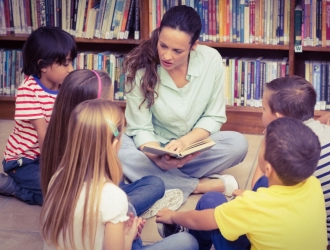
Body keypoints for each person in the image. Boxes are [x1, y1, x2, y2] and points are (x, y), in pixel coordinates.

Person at [119, 5, 248, 202]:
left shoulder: (211, 59)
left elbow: (213, 116)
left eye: (177, 50)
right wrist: (158, 159)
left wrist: (185, 143)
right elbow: (140, 128)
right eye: (163, 45)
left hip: (193, 147)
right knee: (118, 150)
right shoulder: (140, 68)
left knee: (238, 144)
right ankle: (198, 185)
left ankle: (160, 179)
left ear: (193, 46)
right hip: (153, 148)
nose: (167, 56)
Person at [41, 99, 198, 250]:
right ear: (115, 144)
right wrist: (129, 236)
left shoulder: (58, 177)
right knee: (187, 242)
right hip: (117, 229)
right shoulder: (112, 196)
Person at [156, 117, 328, 250]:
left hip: (248, 211)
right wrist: (249, 196)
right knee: (261, 184)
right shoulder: (314, 184)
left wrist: (172, 216)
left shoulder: (253, 206)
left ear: (267, 168)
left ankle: (193, 241)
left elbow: (198, 219)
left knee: (210, 202)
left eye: (262, 146)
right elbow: (281, 207)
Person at [41, 69, 183, 219]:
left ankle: (128, 209)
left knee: (153, 182)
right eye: (108, 103)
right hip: (97, 204)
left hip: (98, 196)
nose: (112, 107)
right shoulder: (89, 143)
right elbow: (106, 183)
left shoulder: (57, 130)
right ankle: (128, 211)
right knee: (153, 186)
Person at [249, 76, 330, 249]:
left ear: (279, 118)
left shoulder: (288, 148)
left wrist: (268, 141)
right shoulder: (329, 131)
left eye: (264, 109)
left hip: (325, 239)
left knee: (263, 185)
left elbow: (259, 186)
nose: (261, 114)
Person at [0, 26, 77, 205]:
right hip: (23, 162)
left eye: (71, 62)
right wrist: (58, 171)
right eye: (65, 63)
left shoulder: (64, 85)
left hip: (49, 155)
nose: (71, 69)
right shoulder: (28, 91)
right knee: (60, 196)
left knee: (72, 187)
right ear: (42, 65)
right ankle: (13, 187)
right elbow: (44, 135)